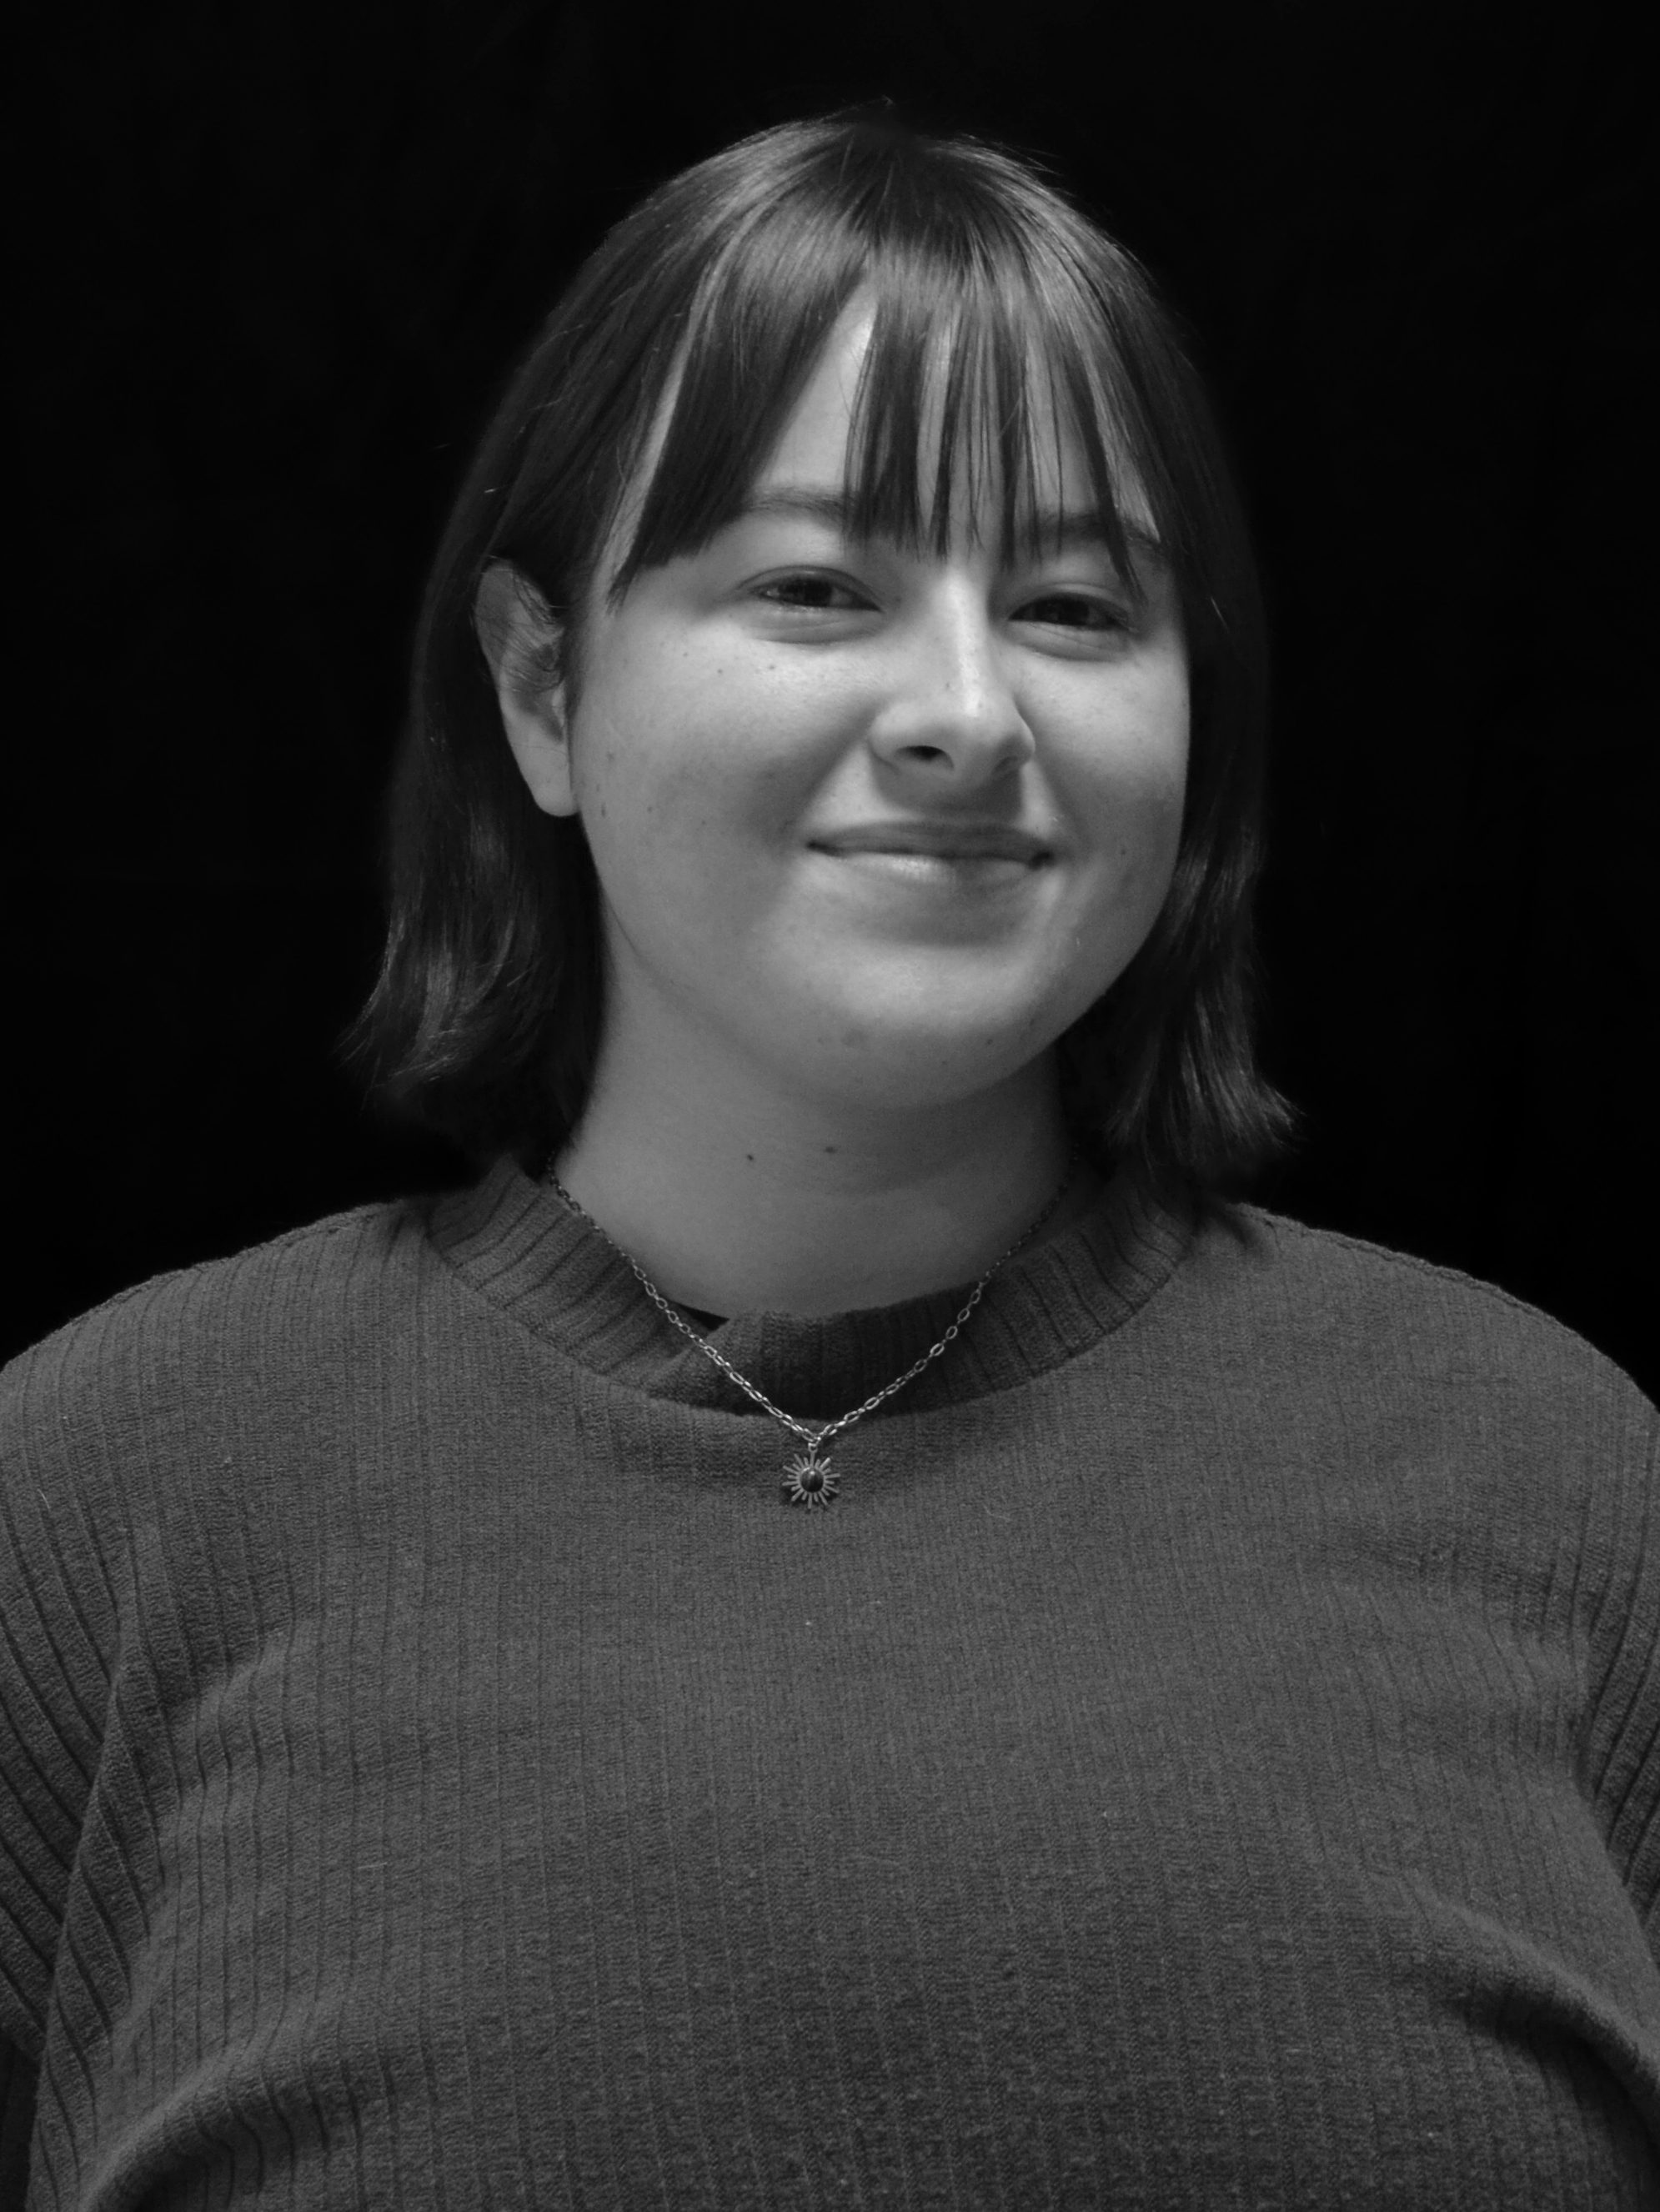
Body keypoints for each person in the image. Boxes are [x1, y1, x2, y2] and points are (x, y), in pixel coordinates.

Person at [2, 113, 1655, 2211]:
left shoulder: (1562, 1492)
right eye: (811, 584)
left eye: (1070, 603)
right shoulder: (93, 1510)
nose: (965, 710)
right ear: (539, 683)